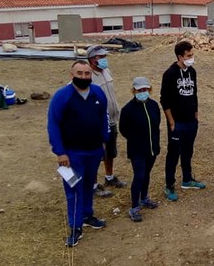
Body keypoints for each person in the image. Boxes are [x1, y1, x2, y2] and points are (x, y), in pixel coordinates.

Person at [47, 60, 108, 247]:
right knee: (74, 189)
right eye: (80, 73)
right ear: (71, 74)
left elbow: (103, 119)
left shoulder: (98, 93)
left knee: (89, 184)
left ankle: (88, 215)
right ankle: (75, 226)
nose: (84, 77)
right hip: (72, 154)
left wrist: (103, 142)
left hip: (94, 151)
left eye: (87, 74)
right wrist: (60, 152)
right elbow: (53, 125)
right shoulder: (62, 96)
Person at [160, 41, 206, 202]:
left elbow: (195, 94)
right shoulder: (170, 74)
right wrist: (171, 122)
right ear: (180, 56)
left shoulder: (192, 71)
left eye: (192, 55)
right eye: (189, 56)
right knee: (173, 153)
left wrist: (196, 114)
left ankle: (187, 179)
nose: (192, 58)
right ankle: (169, 184)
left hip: (191, 121)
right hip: (177, 122)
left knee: (188, 151)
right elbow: (164, 100)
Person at [119, 77, 161, 222]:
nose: (143, 92)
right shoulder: (127, 109)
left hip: (152, 148)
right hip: (137, 150)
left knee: (147, 174)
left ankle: (144, 198)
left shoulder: (154, 105)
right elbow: (123, 129)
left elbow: (156, 124)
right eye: (140, 90)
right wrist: (135, 138)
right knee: (139, 175)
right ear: (134, 91)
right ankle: (134, 206)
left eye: (145, 90)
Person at [86, 45, 126, 198]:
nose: (104, 59)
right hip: (97, 123)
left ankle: (109, 177)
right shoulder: (88, 77)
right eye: (100, 57)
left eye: (104, 56)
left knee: (110, 151)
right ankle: (94, 185)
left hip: (111, 119)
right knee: (97, 153)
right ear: (92, 60)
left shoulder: (107, 71)